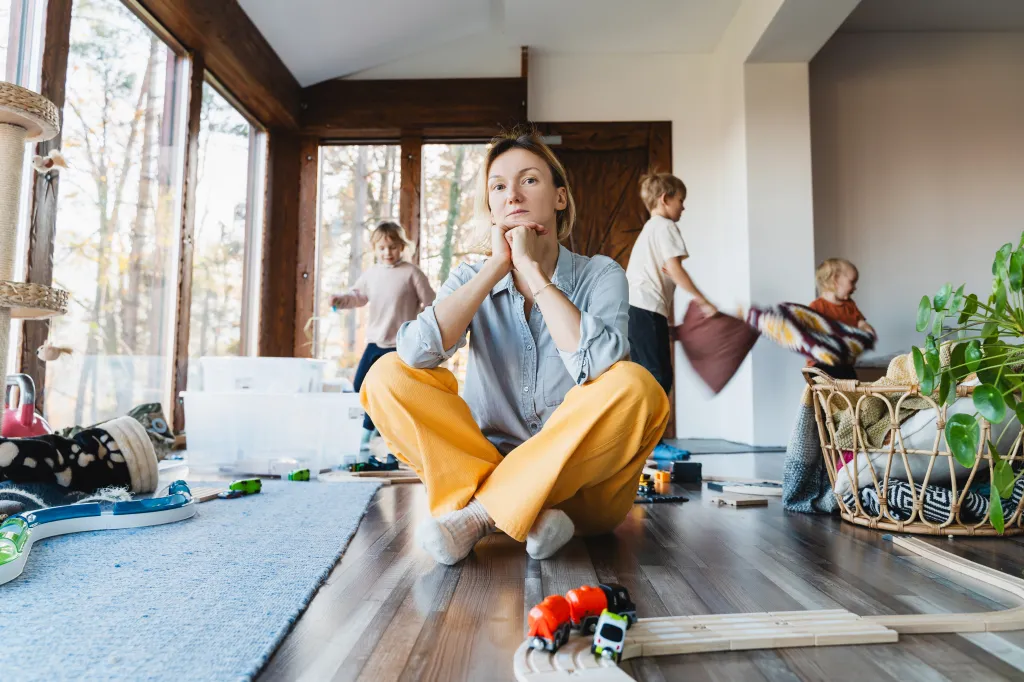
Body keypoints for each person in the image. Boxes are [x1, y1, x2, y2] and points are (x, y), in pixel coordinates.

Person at [361, 130, 669, 565]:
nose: (513, 196)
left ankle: (482, 516)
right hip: (486, 463)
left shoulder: (601, 275)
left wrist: (531, 270)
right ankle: (531, 515)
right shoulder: (473, 275)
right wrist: (494, 268)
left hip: (582, 494)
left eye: (529, 181)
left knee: (639, 387)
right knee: (385, 376)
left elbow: (600, 365)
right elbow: (415, 352)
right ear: (490, 207)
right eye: (499, 187)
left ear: (560, 198)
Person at [330, 221, 435, 447]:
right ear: (375, 249)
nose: (388, 252)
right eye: (382, 248)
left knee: (390, 392)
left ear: (401, 247)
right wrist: (340, 300)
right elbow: (357, 296)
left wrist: (422, 330)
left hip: (401, 344)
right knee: (361, 386)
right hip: (375, 341)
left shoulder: (412, 273)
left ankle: (373, 437)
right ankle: (376, 424)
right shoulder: (372, 274)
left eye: (393, 247)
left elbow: (431, 303)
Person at [625, 173, 715, 397]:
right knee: (658, 377)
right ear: (665, 199)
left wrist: (663, 326)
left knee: (646, 374)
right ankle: (651, 432)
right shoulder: (665, 226)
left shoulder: (650, 229)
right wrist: (703, 302)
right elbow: (674, 269)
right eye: (681, 201)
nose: (683, 208)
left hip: (636, 311)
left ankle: (645, 431)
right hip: (646, 308)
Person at [808, 258, 875, 380]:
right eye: (852, 282)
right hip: (821, 365)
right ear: (835, 280)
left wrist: (868, 331)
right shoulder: (817, 307)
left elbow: (861, 323)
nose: (855, 288)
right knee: (823, 393)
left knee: (852, 386)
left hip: (845, 363)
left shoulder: (850, 305)